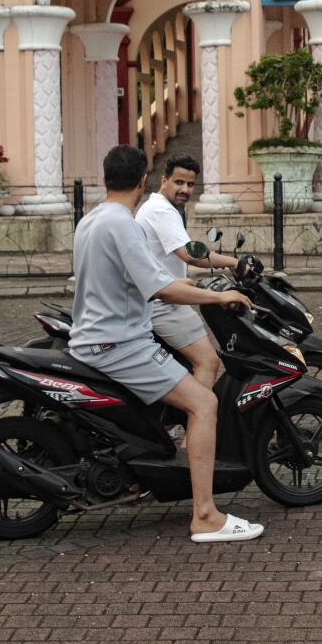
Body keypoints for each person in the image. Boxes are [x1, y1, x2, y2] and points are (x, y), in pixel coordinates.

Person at [71, 144, 262, 544]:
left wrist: (189, 285)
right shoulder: (123, 224)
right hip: (121, 345)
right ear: (144, 180)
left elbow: (139, 278)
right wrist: (219, 296)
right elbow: (159, 288)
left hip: (92, 339)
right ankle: (206, 515)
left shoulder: (90, 221)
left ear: (106, 177)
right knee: (205, 402)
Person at [135, 154, 238, 393]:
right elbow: (191, 254)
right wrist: (234, 263)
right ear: (164, 180)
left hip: (168, 292)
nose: (185, 189)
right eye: (179, 182)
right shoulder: (162, 210)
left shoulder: (161, 206)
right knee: (208, 361)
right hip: (164, 301)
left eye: (190, 185)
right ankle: (198, 414)